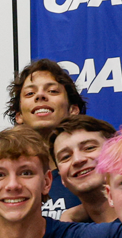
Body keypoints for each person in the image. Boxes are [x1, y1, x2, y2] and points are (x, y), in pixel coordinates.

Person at [6, 59, 88, 219]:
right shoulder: (9, 180)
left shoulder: (91, 170)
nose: (40, 96)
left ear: (73, 109)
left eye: (52, 91)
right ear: (19, 115)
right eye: (30, 93)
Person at [53, 114, 118, 224]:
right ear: (62, 179)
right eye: (65, 157)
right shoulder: (67, 229)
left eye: (89, 148)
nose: (77, 160)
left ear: (116, 153)